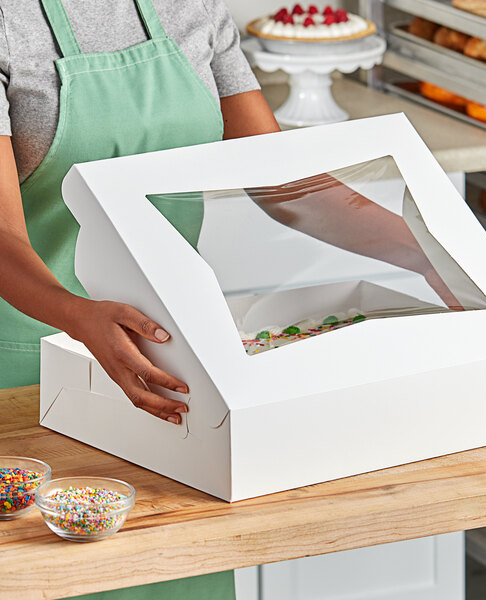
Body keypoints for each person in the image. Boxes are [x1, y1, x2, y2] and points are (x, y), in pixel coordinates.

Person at [0, 1, 278, 598]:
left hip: (172, 362)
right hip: (23, 366)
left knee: (176, 563)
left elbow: (281, 178)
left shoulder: (192, 5)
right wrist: (77, 316)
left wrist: (427, 247)